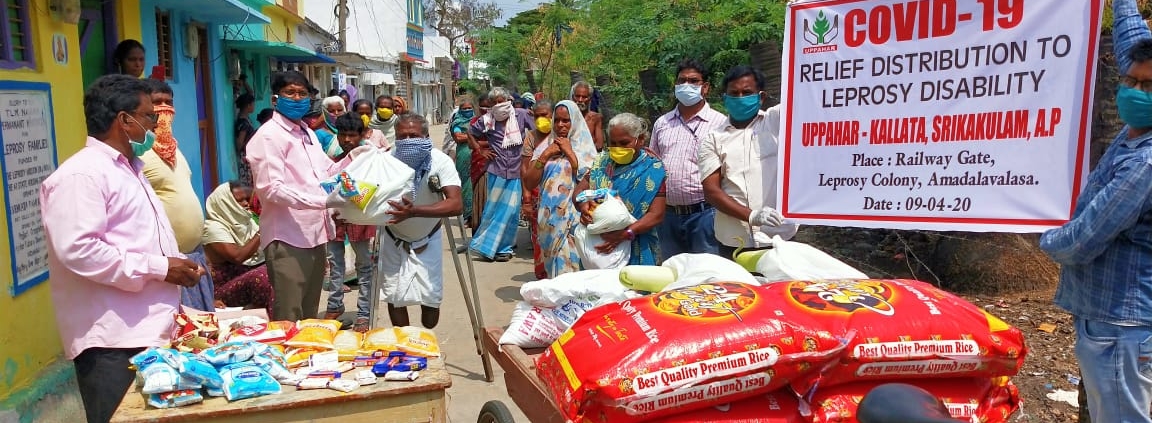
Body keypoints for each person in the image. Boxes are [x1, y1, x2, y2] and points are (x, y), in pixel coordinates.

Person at [41, 74, 204, 423]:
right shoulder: (81, 176)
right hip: (113, 342)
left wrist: (177, 267)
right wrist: (160, 268)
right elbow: (80, 251)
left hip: (151, 332)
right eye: (148, 117)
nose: (155, 125)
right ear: (123, 120)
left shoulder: (132, 169)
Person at [1039, 1, 1152, 421]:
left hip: (1120, 327)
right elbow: (1131, 41)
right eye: (1130, 81)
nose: (1134, 91)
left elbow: (1083, 240)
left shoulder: (1144, 164)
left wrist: (1039, 230)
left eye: (1148, 86)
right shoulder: (1137, 130)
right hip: (1112, 320)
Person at [246, 70, 369, 321]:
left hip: (315, 234)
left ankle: (308, 356)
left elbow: (326, 172)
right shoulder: (269, 136)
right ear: (275, 99)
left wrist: (352, 158)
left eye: (302, 93)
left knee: (310, 313)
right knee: (289, 312)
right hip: (288, 236)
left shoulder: (307, 133)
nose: (297, 98)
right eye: (290, 92)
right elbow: (272, 189)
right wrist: (323, 202)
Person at [699, 65, 797, 259]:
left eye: (747, 92)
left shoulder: (777, 122)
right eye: (734, 93)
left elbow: (804, 96)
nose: (740, 97)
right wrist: (752, 216)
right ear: (725, 98)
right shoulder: (713, 138)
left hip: (778, 238)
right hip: (734, 242)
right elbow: (712, 191)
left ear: (761, 97)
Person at [379, 114, 464, 329]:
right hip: (393, 234)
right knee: (393, 293)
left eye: (414, 136)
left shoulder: (440, 161)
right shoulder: (387, 159)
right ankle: (406, 342)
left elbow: (456, 204)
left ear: (426, 136)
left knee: (429, 311)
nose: (408, 142)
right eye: (403, 137)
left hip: (428, 234)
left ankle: (425, 329)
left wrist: (414, 211)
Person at [140, 79, 216, 310]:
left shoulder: (174, 149)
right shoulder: (138, 152)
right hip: (167, 264)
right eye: (156, 103)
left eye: (168, 103)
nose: (164, 109)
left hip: (193, 256)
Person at [651, 59, 727, 257]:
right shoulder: (662, 123)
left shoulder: (720, 123)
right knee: (672, 275)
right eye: (681, 80)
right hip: (668, 216)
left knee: (707, 277)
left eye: (693, 81)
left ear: (705, 88)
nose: (686, 85)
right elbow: (654, 166)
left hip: (705, 214)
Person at [577, 113, 667, 266]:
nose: (618, 148)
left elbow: (656, 215)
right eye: (613, 143)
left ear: (640, 140)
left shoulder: (653, 169)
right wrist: (583, 207)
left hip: (636, 245)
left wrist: (626, 234)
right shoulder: (601, 162)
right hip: (596, 247)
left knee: (633, 287)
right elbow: (579, 193)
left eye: (624, 143)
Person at [522, 100, 596, 277]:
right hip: (547, 222)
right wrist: (546, 155)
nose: (560, 125)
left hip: (573, 222)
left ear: (575, 121)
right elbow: (529, 181)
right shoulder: (546, 147)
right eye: (557, 120)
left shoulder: (586, 150)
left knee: (569, 271)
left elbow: (592, 182)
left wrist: (570, 154)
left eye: (566, 120)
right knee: (551, 272)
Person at [322, 113, 378, 330]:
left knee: (364, 265)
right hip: (337, 218)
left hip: (361, 219)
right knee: (336, 264)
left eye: (352, 135)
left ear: (362, 135)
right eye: (342, 135)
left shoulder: (370, 158)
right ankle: (334, 305)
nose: (347, 140)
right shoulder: (334, 161)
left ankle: (364, 313)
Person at [469, 87, 536, 262]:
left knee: (511, 211)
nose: (499, 105)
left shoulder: (521, 114)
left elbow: (537, 131)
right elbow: (470, 133)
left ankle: (504, 249)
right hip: (496, 169)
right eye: (495, 102)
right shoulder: (487, 120)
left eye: (501, 101)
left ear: (509, 101)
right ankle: (486, 247)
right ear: (490, 105)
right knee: (492, 210)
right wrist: (480, 150)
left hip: (516, 170)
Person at [202, 181, 273, 315]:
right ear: (225, 204)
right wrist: (261, 231)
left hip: (246, 277)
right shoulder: (214, 227)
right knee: (263, 276)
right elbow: (237, 256)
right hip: (224, 287)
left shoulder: (247, 222)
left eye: (246, 199)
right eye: (239, 201)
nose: (246, 204)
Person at [521, 100, 554, 279]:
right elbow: (525, 169)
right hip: (537, 195)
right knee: (539, 237)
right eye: (537, 116)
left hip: (560, 196)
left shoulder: (561, 136)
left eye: (545, 115)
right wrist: (526, 199)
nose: (541, 119)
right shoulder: (531, 137)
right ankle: (542, 277)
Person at [468, 94, 494, 233]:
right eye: (483, 106)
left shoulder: (499, 121)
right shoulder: (475, 122)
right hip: (480, 164)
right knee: (481, 196)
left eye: (489, 107)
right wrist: (489, 143)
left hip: (498, 163)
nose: (486, 109)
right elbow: (470, 142)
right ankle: (479, 231)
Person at [450, 99, 476, 229]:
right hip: (464, 156)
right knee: (467, 185)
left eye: (469, 108)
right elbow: (458, 137)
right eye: (464, 109)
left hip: (477, 154)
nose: (467, 111)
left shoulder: (477, 120)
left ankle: (478, 215)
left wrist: (469, 136)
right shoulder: (457, 122)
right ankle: (469, 216)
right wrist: (475, 136)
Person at [570, 81, 605, 151]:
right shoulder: (565, 118)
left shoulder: (595, 118)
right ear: (573, 97)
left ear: (590, 98)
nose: (580, 100)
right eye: (577, 96)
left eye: (584, 97)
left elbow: (599, 145)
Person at [235, 94, 257, 187]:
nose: (254, 106)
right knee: (248, 184)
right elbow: (239, 144)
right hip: (246, 157)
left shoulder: (245, 119)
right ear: (248, 105)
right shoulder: (243, 123)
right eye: (252, 104)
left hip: (248, 155)